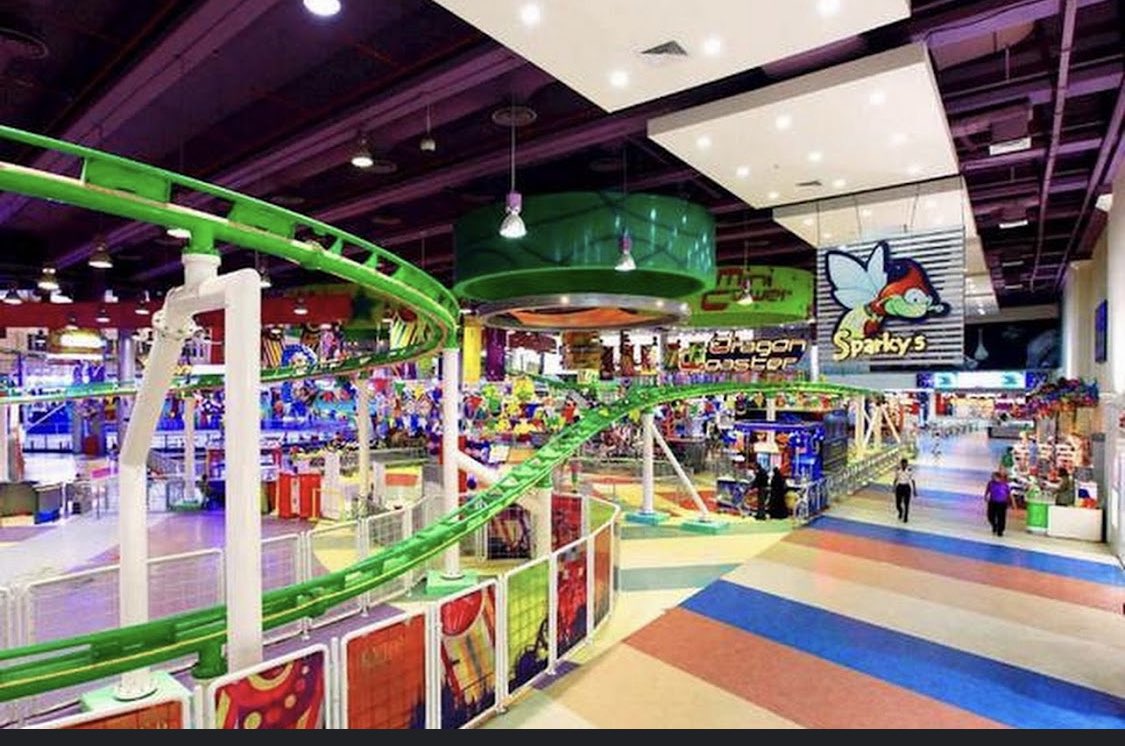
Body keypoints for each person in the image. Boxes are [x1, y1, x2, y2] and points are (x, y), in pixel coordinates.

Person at [984, 471, 1013, 536]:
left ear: (998, 477)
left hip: (1002, 503)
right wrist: (985, 496)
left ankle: (1000, 530)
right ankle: (994, 525)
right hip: (992, 502)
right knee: (990, 516)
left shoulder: (1004, 484)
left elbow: (1009, 494)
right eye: (992, 477)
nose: (992, 478)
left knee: (1001, 517)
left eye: (994, 477)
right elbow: (988, 490)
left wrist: (1011, 503)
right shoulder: (990, 483)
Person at [893, 458, 916, 523]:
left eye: (905, 464)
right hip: (899, 487)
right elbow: (896, 479)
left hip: (906, 487)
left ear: (907, 464)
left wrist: (914, 490)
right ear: (901, 464)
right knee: (898, 504)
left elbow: (913, 480)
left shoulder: (909, 470)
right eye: (903, 464)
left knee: (906, 504)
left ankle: (906, 517)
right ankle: (900, 511)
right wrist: (894, 487)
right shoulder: (898, 470)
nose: (904, 465)